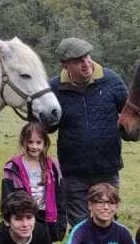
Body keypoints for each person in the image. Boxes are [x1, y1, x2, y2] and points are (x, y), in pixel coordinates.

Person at [48, 37, 129, 226]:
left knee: (107, 223)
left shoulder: (112, 81)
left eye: (86, 57)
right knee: (81, 226)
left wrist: (131, 132)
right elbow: (49, 127)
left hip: (107, 169)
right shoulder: (54, 89)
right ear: (64, 65)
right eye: (78, 61)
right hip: (74, 173)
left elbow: (129, 117)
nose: (86, 64)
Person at [2, 121, 66, 241]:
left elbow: (60, 196)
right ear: (23, 142)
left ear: (45, 143)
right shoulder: (12, 167)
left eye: (38, 142)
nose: (34, 146)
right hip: (24, 219)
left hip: (46, 218)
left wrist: (61, 223)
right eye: (30, 142)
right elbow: (6, 199)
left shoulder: (53, 166)